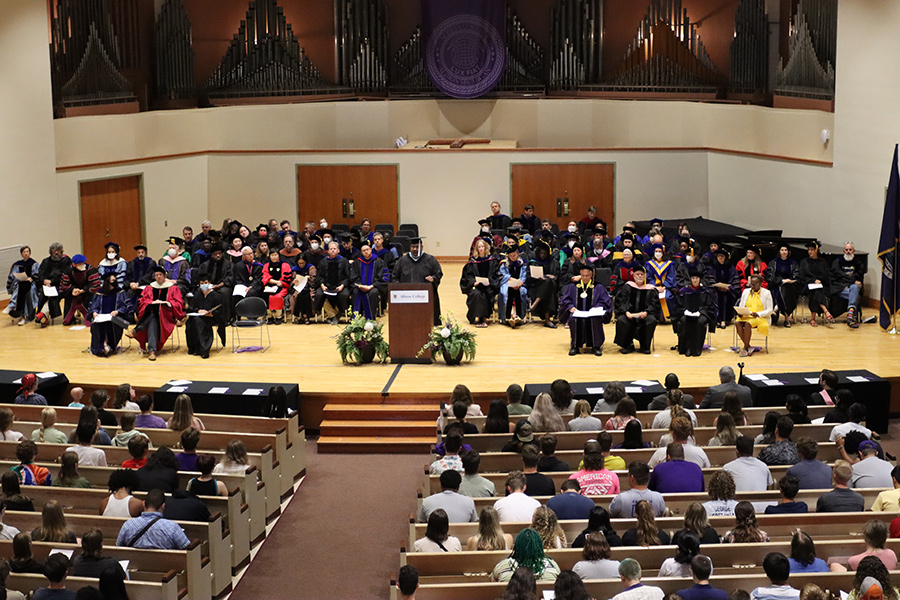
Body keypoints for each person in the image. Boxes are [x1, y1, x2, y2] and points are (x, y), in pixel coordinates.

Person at [126, 265, 185, 360]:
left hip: (166, 315)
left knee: (154, 312)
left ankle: (136, 330)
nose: (158, 277)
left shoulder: (173, 288)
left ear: (165, 276)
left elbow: (179, 303)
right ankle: (152, 351)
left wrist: (167, 303)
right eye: (156, 275)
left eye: (160, 275)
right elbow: (142, 301)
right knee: (153, 317)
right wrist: (152, 302)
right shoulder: (149, 287)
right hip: (152, 313)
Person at [559, 262, 612, 355]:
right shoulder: (573, 287)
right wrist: (570, 307)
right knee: (573, 319)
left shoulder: (598, 287)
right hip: (577, 312)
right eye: (583, 275)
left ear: (591, 275)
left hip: (593, 313)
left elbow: (605, 301)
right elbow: (565, 300)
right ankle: (575, 346)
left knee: (595, 319)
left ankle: (596, 346)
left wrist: (598, 307)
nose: (585, 278)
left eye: (587, 275)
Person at [116, 489, 190, 549]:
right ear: (163, 506)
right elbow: (186, 547)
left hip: (133, 565)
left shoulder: (128, 524)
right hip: (166, 566)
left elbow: (118, 546)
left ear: (143, 504)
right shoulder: (172, 527)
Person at [392, 237, 443, 325]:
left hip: (425, 295)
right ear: (410, 247)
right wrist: (399, 287)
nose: (415, 249)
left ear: (422, 247)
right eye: (413, 247)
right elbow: (394, 276)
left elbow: (438, 274)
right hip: (406, 295)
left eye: (417, 246)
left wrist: (433, 278)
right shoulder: (402, 260)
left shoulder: (430, 259)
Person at [614, 264, 661, 354]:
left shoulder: (651, 289)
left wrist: (647, 312)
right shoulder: (627, 287)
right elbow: (621, 301)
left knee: (651, 320)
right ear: (633, 275)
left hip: (645, 315)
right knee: (621, 320)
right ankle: (628, 345)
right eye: (637, 274)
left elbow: (654, 304)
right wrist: (626, 312)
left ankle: (644, 346)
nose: (639, 276)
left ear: (645, 276)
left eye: (641, 274)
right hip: (629, 315)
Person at [491, 528, 560, 582]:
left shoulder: (502, 566)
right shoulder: (552, 566)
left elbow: (493, 583)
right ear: (539, 547)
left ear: (517, 546)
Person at [459, 239, 499, 327]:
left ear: (486, 248)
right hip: (476, 286)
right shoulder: (472, 261)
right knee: (476, 294)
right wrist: (473, 282)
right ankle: (476, 318)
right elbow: (467, 276)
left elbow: (495, 275)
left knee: (485, 294)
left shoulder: (492, 260)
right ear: (476, 249)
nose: (481, 249)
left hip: (489, 286)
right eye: (479, 247)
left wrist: (490, 282)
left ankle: (482, 319)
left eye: (482, 246)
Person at [185, 273, 226, 358]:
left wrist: (212, 314)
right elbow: (191, 308)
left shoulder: (216, 296)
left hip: (211, 318)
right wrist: (198, 310)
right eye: (202, 283)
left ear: (209, 283)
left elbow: (220, 310)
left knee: (199, 323)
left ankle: (203, 350)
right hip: (197, 317)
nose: (204, 285)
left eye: (206, 282)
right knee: (191, 322)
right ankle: (194, 348)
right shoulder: (197, 294)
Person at [734, 274, 774, 356]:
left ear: (760, 284)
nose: (752, 286)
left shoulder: (767, 293)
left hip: (760, 317)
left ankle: (745, 347)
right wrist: (740, 312)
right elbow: (741, 305)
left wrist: (758, 314)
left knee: (748, 324)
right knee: (737, 323)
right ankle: (748, 346)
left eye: (754, 284)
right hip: (746, 315)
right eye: (751, 284)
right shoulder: (746, 291)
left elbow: (770, 310)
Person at [59, 254, 101, 326]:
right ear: (74, 264)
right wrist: (72, 289)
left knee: (90, 298)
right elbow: (64, 285)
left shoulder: (91, 270)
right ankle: (70, 319)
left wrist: (83, 290)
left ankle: (91, 317)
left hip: (87, 292)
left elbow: (95, 286)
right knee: (68, 298)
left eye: (83, 263)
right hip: (73, 292)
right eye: (79, 264)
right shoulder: (68, 270)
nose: (82, 265)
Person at [350, 240, 388, 320]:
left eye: (367, 250)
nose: (366, 252)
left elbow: (384, 277)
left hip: (373, 287)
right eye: (364, 250)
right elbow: (353, 277)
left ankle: (370, 319)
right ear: (361, 252)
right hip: (360, 287)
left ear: (371, 250)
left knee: (373, 293)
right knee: (355, 292)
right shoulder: (357, 262)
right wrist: (360, 285)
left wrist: (372, 286)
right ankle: (357, 320)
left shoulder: (379, 262)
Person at [831, 241, 866, 328]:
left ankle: (850, 314)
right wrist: (852, 281)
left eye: (850, 250)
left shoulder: (858, 263)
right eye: (846, 250)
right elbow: (839, 275)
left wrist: (851, 283)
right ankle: (851, 315)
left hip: (851, 288)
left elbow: (859, 275)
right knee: (855, 293)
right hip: (840, 288)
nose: (848, 252)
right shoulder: (837, 262)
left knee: (854, 288)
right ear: (843, 251)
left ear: (853, 251)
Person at [799, 240, 834, 326]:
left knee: (816, 291)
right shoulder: (804, 262)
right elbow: (802, 276)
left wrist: (819, 281)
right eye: (809, 250)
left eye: (812, 250)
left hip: (821, 286)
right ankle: (825, 310)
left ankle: (813, 319)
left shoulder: (823, 262)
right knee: (815, 291)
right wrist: (813, 280)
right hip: (807, 286)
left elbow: (827, 275)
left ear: (816, 250)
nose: (810, 252)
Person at [766, 243, 801, 327]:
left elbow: (796, 275)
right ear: (779, 251)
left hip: (790, 286)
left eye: (785, 250)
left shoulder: (793, 263)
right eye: (782, 250)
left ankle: (777, 308)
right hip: (776, 284)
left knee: (786, 290)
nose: (784, 252)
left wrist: (789, 280)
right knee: (781, 290)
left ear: (788, 252)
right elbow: (770, 276)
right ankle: (786, 319)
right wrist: (781, 280)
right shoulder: (773, 262)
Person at [7, 245, 40, 326]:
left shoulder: (34, 264)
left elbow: (37, 276)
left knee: (29, 290)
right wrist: (20, 278)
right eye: (24, 252)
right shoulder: (17, 265)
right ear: (21, 254)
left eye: (27, 252)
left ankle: (15, 307)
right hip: (20, 283)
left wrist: (31, 278)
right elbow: (13, 276)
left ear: (30, 253)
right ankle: (22, 314)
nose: (26, 253)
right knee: (19, 287)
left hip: (31, 284)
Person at [498, 245, 529, 327]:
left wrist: (520, 282)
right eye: (511, 256)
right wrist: (512, 279)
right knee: (505, 293)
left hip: (520, 284)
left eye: (514, 255)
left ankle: (520, 315)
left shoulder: (523, 263)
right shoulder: (504, 264)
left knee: (522, 292)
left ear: (518, 254)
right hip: (507, 283)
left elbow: (525, 275)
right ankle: (508, 316)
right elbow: (502, 275)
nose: (513, 257)